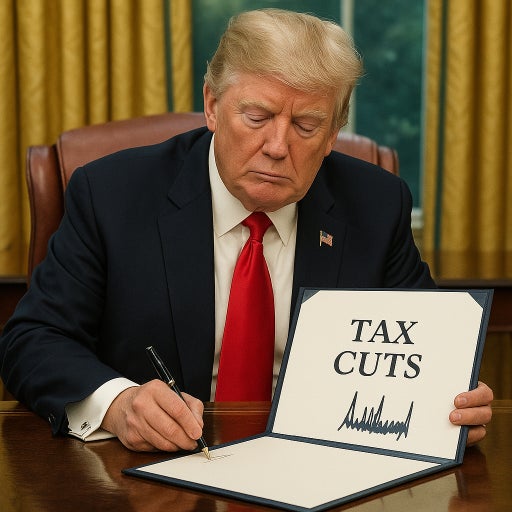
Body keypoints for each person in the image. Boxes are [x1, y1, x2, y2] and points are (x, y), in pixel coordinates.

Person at [0, 9, 492, 453]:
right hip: (160, 472)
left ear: (334, 132)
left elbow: (430, 354)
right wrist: (118, 403)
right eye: (257, 117)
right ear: (213, 105)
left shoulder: (377, 204)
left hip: (318, 462)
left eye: (306, 125)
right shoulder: (113, 194)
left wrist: (451, 404)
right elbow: (33, 339)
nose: (277, 146)